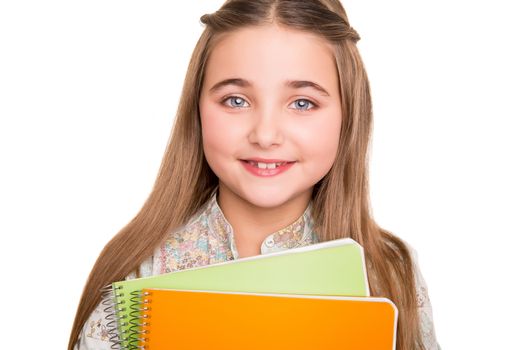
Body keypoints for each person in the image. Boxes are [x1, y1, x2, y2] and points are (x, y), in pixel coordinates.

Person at [69, 0, 440, 349]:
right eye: (236, 100)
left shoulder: (391, 271)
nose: (265, 135)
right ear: (196, 110)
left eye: (302, 103)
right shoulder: (137, 272)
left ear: (349, 116)